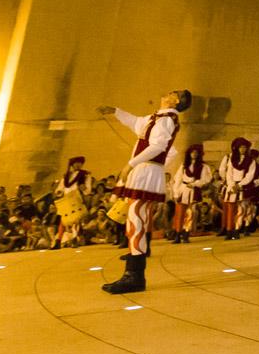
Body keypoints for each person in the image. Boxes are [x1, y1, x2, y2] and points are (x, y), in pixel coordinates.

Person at [97, 89, 193, 294]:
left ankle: (134, 276)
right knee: (134, 220)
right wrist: (115, 111)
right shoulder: (157, 117)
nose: (167, 92)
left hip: (147, 170)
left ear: (176, 101)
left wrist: (130, 164)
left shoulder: (167, 119)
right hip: (144, 169)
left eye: (172, 92)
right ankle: (133, 271)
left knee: (136, 220)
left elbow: (158, 145)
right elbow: (136, 123)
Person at [169, 143, 212, 244]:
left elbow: (206, 178)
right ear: (189, 154)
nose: (194, 154)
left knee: (190, 213)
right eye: (192, 153)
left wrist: (196, 184)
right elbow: (178, 179)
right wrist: (176, 193)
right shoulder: (184, 165)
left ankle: (186, 234)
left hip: (193, 190)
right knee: (180, 214)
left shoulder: (203, 166)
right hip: (183, 190)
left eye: (196, 153)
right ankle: (177, 235)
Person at [217, 138, 259, 239]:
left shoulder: (251, 160)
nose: (242, 149)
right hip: (231, 186)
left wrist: (240, 185)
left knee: (241, 209)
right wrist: (231, 184)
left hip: (242, 187)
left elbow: (250, 175)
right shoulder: (231, 157)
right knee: (230, 209)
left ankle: (236, 229)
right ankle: (229, 230)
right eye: (241, 147)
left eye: (244, 147)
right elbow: (228, 172)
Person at [54, 157, 91, 249]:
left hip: (76, 197)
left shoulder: (85, 174)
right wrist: (58, 192)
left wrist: (85, 189)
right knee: (63, 220)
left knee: (76, 219)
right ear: (72, 164)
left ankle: (74, 239)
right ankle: (58, 240)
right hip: (66, 199)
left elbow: (88, 189)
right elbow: (61, 187)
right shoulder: (66, 175)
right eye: (76, 163)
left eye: (80, 163)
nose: (78, 165)